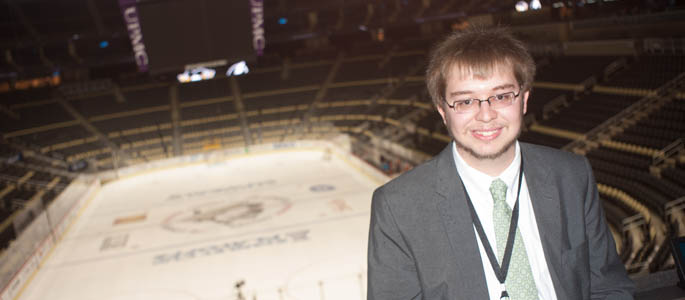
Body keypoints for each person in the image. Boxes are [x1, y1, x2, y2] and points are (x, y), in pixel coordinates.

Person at [367, 26, 634, 299]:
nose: (486, 115)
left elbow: (608, 287)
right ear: (443, 112)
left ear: (524, 101)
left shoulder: (571, 175)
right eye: (466, 101)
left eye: (502, 96)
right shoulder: (397, 207)